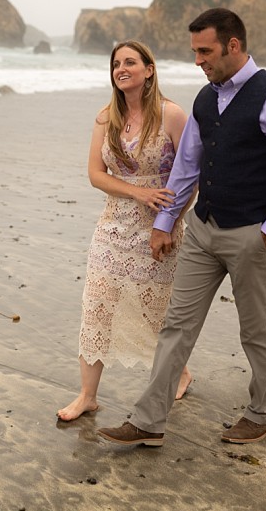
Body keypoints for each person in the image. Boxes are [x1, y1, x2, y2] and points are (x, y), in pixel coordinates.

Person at [97, 8, 266, 446]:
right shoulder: (204, 99)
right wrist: (165, 222)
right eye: (195, 52)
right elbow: (186, 168)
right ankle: (148, 421)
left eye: (206, 51)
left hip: (251, 232)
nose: (198, 60)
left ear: (232, 46)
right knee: (176, 326)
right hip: (202, 229)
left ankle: (263, 413)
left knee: (256, 329)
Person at [57, 40, 194, 422]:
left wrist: (172, 222)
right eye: (116, 63)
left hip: (160, 226)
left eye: (130, 62)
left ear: (149, 69)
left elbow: (190, 176)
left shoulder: (173, 115)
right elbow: (95, 175)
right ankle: (87, 396)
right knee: (97, 304)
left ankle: (180, 371)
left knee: (157, 310)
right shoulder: (106, 118)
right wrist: (137, 192)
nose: (122, 68)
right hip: (113, 224)